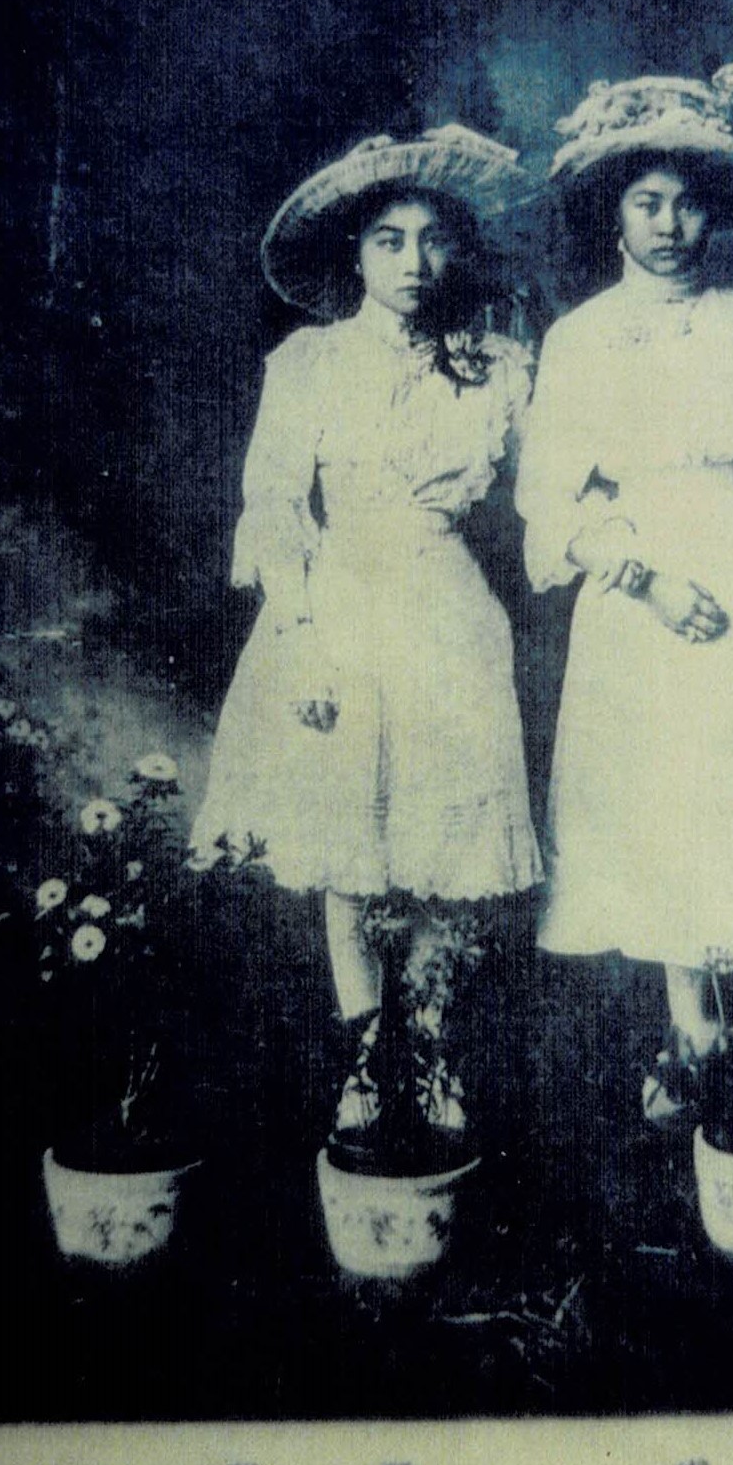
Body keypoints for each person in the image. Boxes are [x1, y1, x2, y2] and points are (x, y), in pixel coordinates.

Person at [191, 125, 542, 1154]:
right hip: (338, 605)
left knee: (441, 839)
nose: (413, 263)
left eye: (432, 241)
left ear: (456, 251)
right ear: (356, 253)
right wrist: (300, 636)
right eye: (389, 241)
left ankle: (428, 1048)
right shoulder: (309, 362)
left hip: (449, 612)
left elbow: (562, 480)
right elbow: (271, 502)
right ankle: (363, 1055)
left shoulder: (500, 365)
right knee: (352, 838)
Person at [514, 65, 733, 1114]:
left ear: (717, 211)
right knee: (662, 799)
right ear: (614, 211)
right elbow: (549, 496)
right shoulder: (580, 338)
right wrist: (647, 580)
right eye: (647, 202)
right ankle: (692, 1041)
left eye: (687, 202)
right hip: (641, 587)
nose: (669, 224)